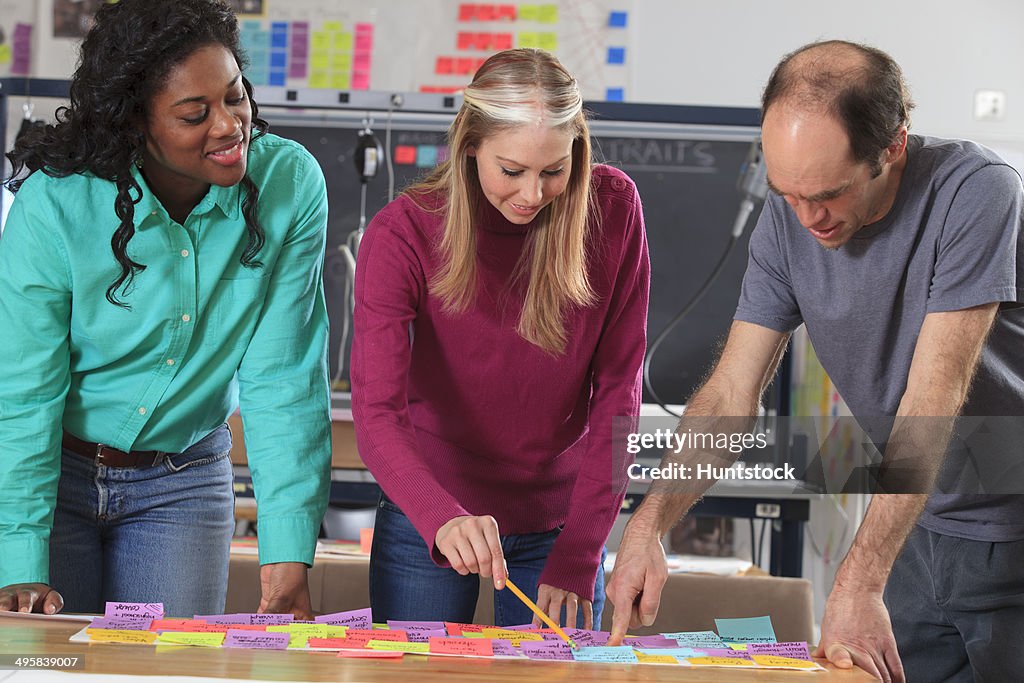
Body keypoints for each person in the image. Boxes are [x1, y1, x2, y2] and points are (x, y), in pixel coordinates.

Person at [606, 40, 1024, 682]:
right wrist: (651, 520)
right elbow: (729, 396)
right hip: (918, 524)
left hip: (1010, 528)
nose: (807, 218)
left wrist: (857, 583)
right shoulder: (790, 214)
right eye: (787, 193)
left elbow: (933, 398)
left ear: (893, 147)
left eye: (826, 194)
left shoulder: (975, 193)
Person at [0, 0, 332, 619]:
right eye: (193, 114)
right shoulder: (56, 203)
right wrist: (17, 552)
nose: (229, 125)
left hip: (183, 480)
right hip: (54, 478)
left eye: (235, 97)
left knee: (171, 668)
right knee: (47, 669)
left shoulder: (289, 184)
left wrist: (287, 549)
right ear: (134, 124)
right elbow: (23, 389)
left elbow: (283, 376)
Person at [351, 48, 649, 629]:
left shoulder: (613, 210)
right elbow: (376, 414)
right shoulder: (402, 234)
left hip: (559, 521)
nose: (533, 194)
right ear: (470, 148)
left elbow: (620, 392)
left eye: (554, 171)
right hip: (429, 515)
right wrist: (442, 516)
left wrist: (583, 545)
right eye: (511, 171)